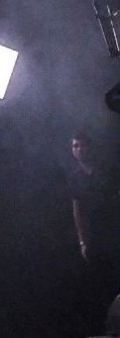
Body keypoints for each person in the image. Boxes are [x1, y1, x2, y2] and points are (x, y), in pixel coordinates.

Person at [69, 130, 120, 329]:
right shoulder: (75, 178)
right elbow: (77, 211)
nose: (80, 150)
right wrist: (83, 241)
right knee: (98, 284)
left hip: (114, 232)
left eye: (83, 145)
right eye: (75, 146)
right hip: (95, 238)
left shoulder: (110, 172)